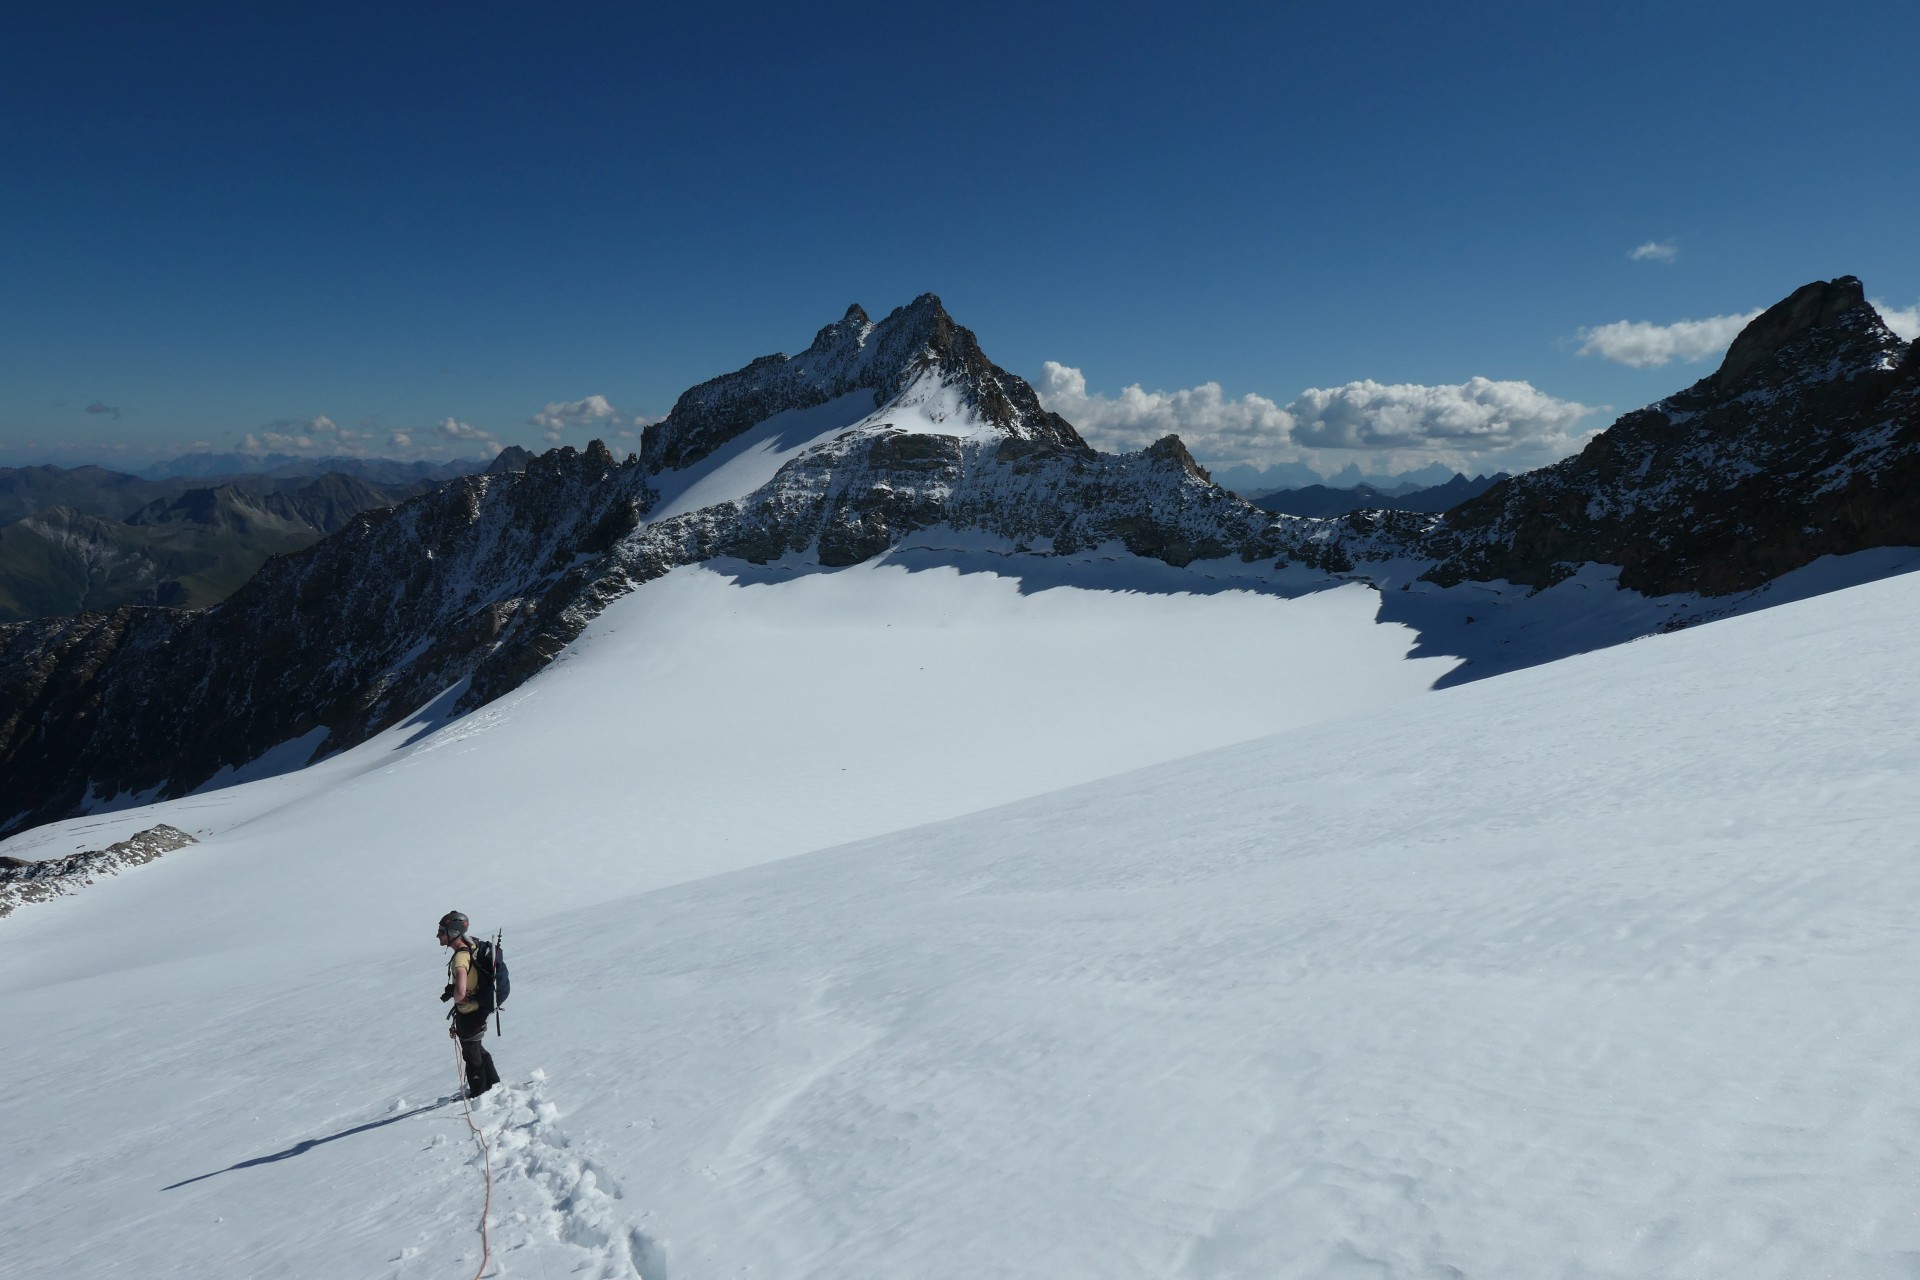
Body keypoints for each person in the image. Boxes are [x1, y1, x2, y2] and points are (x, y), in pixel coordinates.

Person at [437, 910, 501, 1099]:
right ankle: (494, 1086)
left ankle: (479, 1096)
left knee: (471, 1054)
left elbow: (461, 991)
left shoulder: (459, 958)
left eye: (441, 931)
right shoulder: (470, 947)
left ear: (453, 933)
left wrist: (457, 995)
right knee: (476, 1047)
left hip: (470, 1013)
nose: (438, 936)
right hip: (478, 1010)